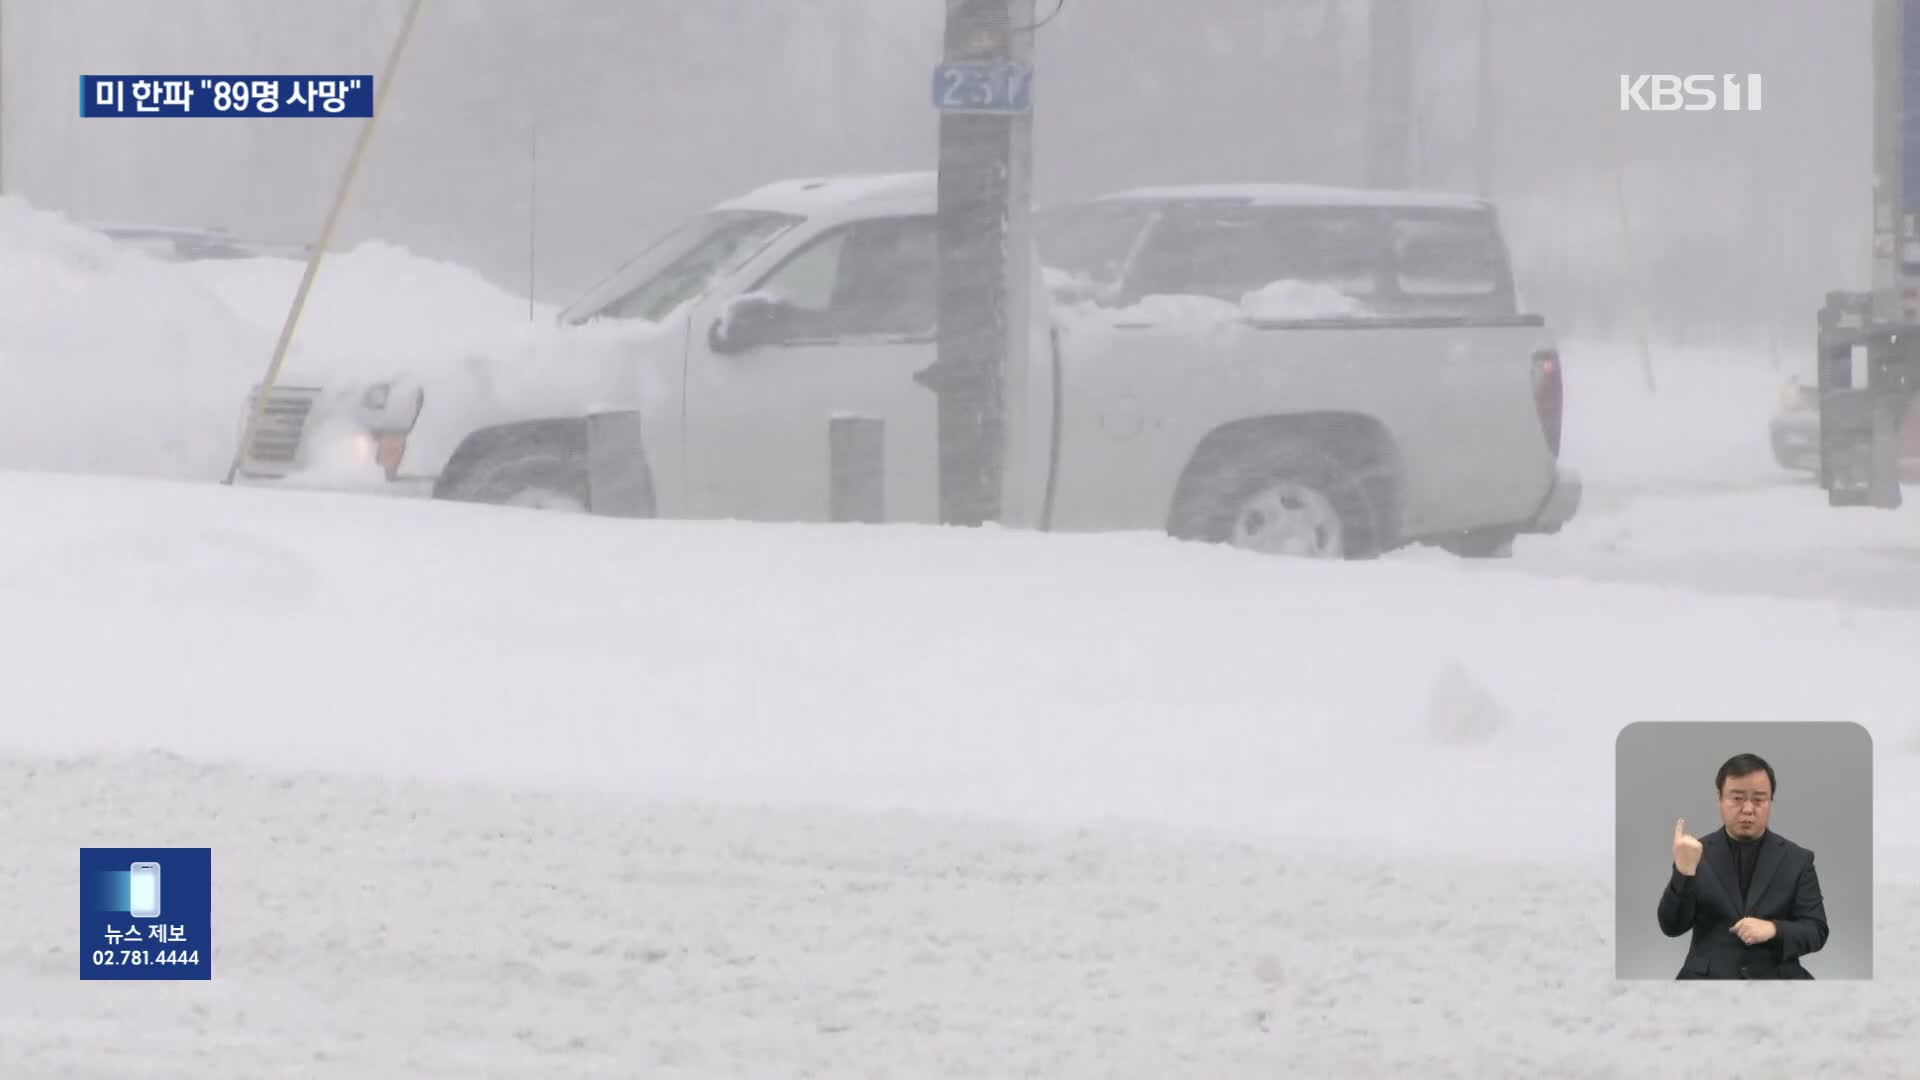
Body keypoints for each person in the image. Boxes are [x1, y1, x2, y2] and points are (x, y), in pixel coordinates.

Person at [1657, 753, 1829, 979]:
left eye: (1759, 799)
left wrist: (1773, 929)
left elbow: (1816, 930)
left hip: (1776, 979)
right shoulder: (1694, 852)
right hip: (1707, 982)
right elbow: (1671, 927)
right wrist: (1684, 872)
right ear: (1719, 798)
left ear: (1771, 801)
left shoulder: (1797, 859)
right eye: (1737, 798)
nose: (1748, 809)